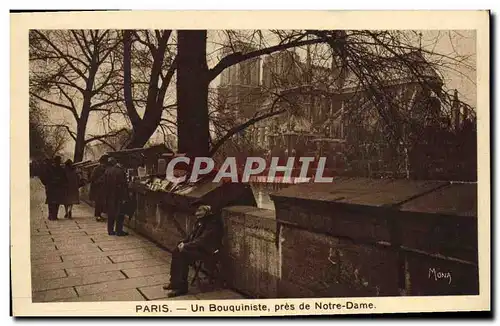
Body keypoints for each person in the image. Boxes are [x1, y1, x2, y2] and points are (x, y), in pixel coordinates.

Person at [163, 205, 224, 298]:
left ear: (207, 210)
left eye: (200, 210)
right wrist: (183, 242)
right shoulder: (200, 220)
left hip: (208, 250)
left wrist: (186, 246)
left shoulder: (213, 223)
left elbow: (203, 240)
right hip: (198, 248)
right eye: (197, 211)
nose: (197, 213)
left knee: (183, 255)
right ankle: (174, 282)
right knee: (176, 251)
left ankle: (182, 287)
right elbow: (192, 235)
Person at [103, 157, 129, 236]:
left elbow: (104, 184)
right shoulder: (120, 171)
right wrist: (125, 197)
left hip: (109, 195)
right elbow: (124, 185)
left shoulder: (107, 171)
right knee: (120, 213)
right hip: (119, 195)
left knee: (111, 213)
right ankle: (119, 231)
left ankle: (110, 231)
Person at [45, 156, 67, 220]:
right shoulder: (60, 169)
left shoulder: (50, 168)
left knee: (52, 202)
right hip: (55, 188)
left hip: (52, 188)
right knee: (55, 202)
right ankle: (53, 215)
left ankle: (52, 215)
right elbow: (64, 179)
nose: (58, 162)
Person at [89, 155, 109, 222]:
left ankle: (99, 215)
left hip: (103, 189)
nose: (104, 164)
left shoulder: (106, 169)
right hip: (97, 189)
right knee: (98, 203)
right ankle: (97, 216)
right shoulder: (96, 169)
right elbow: (92, 179)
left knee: (101, 203)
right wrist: (100, 180)